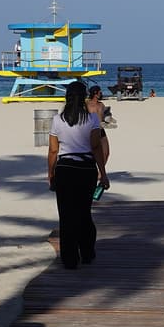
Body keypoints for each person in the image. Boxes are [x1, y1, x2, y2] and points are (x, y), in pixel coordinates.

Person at [47, 81, 108, 269]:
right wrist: (103, 173)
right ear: (84, 98)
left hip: (65, 169)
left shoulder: (57, 120)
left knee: (66, 215)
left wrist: (51, 174)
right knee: (84, 213)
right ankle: (87, 253)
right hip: (86, 169)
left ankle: (70, 259)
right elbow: (96, 147)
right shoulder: (92, 119)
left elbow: (53, 151)